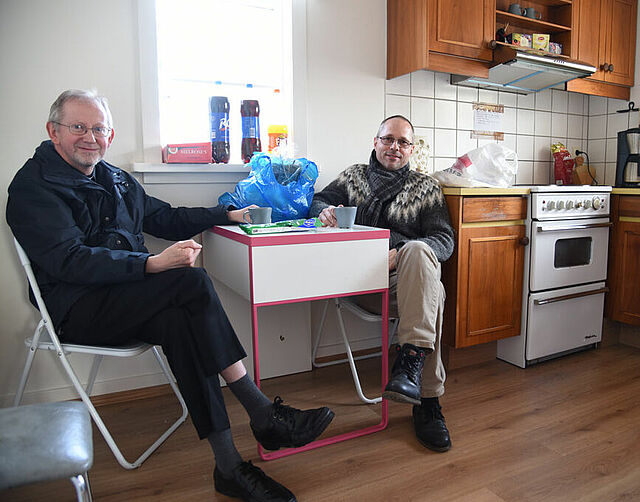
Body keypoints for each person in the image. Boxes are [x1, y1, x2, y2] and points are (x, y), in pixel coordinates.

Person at [6, 89, 335, 502]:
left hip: (130, 298)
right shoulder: (32, 186)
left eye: (99, 128)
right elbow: (69, 260)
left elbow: (166, 217)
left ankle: (228, 465)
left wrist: (225, 215)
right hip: (76, 307)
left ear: (110, 135)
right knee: (190, 282)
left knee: (181, 320)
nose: (90, 137)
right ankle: (260, 411)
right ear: (54, 131)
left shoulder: (116, 179)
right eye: (78, 127)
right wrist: (150, 265)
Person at [308, 115, 455, 453]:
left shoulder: (427, 188)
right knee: (435, 296)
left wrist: (400, 253)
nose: (394, 147)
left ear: (412, 149)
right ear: (375, 142)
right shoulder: (353, 177)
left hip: (400, 286)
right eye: (388, 139)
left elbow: (444, 242)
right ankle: (427, 399)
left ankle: (412, 366)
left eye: (403, 142)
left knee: (419, 252)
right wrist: (325, 210)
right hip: (358, 283)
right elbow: (317, 200)